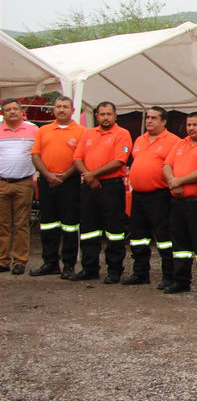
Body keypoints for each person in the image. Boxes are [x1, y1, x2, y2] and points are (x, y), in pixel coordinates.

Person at [71, 102, 131, 282]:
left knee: (114, 230)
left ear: (115, 115)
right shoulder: (88, 133)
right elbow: (77, 158)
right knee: (89, 229)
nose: (105, 117)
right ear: (96, 116)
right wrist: (88, 176)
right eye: (102, 114)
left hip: (111, 187)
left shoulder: (122, 134)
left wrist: (92, 175)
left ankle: (114, 270)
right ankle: (89, 268)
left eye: (109, 114)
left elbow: (120, 160)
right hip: (89, 187)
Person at [124, 107, 179, 286]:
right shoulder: (140, 139)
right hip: (138, 196)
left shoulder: (173, 141)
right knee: (139, 236)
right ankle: (140, 273)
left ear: (163, 122)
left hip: (160, 196)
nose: (149, 121)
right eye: (147, 117)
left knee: (164, 238)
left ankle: (169, 276)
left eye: (153, 118)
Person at [30, 96, 84, 278]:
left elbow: (80, 158)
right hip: (46, 182)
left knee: (70, 225)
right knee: (48, 224)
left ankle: (68, 264)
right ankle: (50, 262)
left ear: (73, 110)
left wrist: (64, 176)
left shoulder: (82, 131)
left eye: (65, 107)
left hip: (70, 182)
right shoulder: (43, 130)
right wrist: (47, 175)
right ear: (53, 110)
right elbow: (36, 155)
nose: (62, 110)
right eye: (58, 107)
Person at [163, 112, 197, 297]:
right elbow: (167, 165)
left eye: (195, 124)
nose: (191, 128)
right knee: (180, 244)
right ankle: (181, 281)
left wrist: (180, 181)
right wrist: (172, 180)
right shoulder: (180, 143)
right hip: (177, 203)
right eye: (188, 125)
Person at [0, 99, 39, 275]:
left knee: (21, 223)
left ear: (21, 111)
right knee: (3, 224)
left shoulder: (33, 130)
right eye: (8, 110)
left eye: (15, 109)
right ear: (3, 113)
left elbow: (39, 153)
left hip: (23, 182)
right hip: (2, 182)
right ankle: (3, 261)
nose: (12, 112)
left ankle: (19, 261)